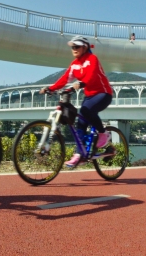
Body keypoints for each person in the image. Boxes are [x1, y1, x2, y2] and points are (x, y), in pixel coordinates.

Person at [40, 35, 113, 168]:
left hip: (103, 93)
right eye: (72, 47)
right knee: (80, 123)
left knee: (86, 110)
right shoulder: (74, 64)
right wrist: (50, 88)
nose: (74, 49)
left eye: (77, 46)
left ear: (85, 47)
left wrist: (81, 83)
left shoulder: (92, 59)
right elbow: (65, 79)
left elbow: (91, 75)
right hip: (89, 96)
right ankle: (80, 154)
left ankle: (103, 133)